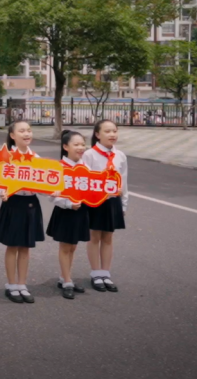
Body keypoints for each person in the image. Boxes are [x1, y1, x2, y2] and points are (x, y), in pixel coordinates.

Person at [0, 120, 44, 304]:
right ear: (13, 135)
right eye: (22, 131)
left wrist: (52, 189)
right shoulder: (6, 157)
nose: (27, 134)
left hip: (31, 204)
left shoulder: (37, 158)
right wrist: (2, 193)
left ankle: (22, 284)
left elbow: (43, 184)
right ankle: (11, 284)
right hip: (13, 203)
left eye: (29, 130)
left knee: (25, 247)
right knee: (12, 245)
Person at [82, 119, 128, 292]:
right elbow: (84, 180)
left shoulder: (120, 156)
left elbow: (123, 182)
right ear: (97, 134)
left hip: (113, 200)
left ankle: (105, 273)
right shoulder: (89, 155)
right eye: (107, 131)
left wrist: (123, 204)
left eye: (114, 131)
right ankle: (96, 273)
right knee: (94, 237)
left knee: (108, 237)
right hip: (95, 200)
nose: (112, 134)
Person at [47, 130, 91, 300]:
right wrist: (68, 203)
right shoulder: (58, 167)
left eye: (82, 144)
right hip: (66, 211)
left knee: (73, 246)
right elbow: (52, 195)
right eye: (76, 144)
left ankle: (65, 277)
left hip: (81, 211)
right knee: (65, 247)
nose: (80, 148)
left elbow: (90, 188)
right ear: (65, 147)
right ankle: (66, 282)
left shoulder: (85, 167)